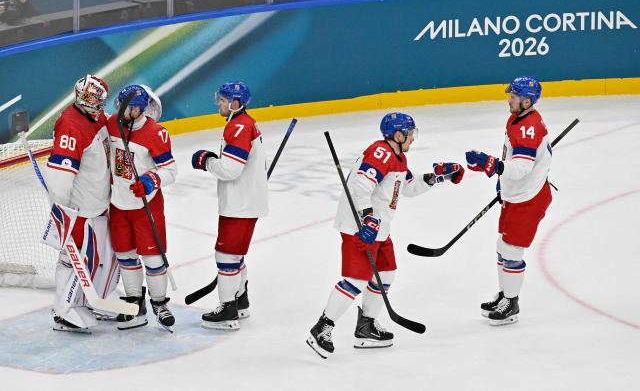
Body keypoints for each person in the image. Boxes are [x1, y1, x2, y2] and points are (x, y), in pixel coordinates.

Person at [306, 112, 465, 359]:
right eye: (410, 134)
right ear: (398, 135)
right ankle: (322, 327)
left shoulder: (398, 158)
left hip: (379, 227)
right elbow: (360, 185)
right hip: (359, 227)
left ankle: (366, 325)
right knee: (356, 280)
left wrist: (437, 176)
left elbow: (409, 188)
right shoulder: (381, 153)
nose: (413, 138)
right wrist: (368, 216)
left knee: (387, 272)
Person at [465, 76, 552, 326]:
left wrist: (492, 165)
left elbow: (522, 168)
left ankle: (511, 304)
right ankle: (505, 294)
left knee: (512, 249)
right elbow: (512, 160)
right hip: (516, 194)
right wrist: (499, 177)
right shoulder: (517, 118)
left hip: (528, 198)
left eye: (513, 97)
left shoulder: (528, 127)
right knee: (503, 245)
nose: (509, 100)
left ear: (527, 100)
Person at [191, 81, 268, 331]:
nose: (219, 103)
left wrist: (207, 161)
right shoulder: (244, 123)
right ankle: (240, 300)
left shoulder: (238, 127)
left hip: (239, 204)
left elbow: (230, 170)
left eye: (223, 100)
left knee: (225, 256)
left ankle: (228, 309)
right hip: (245, 201)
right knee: (235, 256)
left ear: (236, 103)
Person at [45, 75, 117, 333]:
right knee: (74, 260)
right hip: (79, 210)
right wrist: (63, 212)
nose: (89, 102)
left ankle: (94, 300)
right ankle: (65, 309)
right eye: (85, 97)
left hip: (99, 205)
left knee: (101, 258)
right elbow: (61, 178)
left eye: (94, 98)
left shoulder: (99, 118)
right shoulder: (71, 124)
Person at [106, 84, 178, 332]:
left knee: (152, 258)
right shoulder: (111, 126)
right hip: (118, 204)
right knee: (125, 255)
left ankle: (159, 303)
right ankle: (135, 304)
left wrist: (150, 180)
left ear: (138, 108)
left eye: (127, 107)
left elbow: (170, 170)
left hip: (146, 206)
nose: (121, 112)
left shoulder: (155, 133)